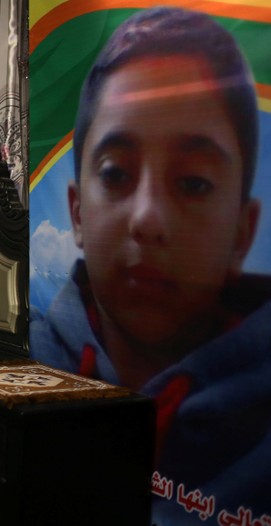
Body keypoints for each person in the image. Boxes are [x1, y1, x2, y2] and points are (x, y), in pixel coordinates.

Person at [30, 7, 270, 524]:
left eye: (193, 183)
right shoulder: (32, 369)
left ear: (243, 232)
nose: (148, 219)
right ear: (75, 212)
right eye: (116, 174)